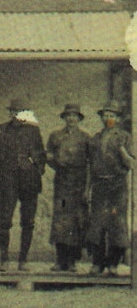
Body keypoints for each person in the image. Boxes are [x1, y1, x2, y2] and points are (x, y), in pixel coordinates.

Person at [0, 99, 46, 272]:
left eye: (20, 111)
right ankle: (4, 260)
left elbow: (41, 155)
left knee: (28, 222)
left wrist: (36, 168)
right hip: (8, 181)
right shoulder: (0, 131)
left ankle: (23, 260)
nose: (17, 115)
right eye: (14, 111)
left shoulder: (33, 131)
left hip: (29, 181)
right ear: (10, 113)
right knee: (4, 220)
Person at [86, 100, 134, 277]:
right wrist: (87, 189)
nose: (108, 119)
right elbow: (90, 166)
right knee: (98, 223)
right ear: (101, 118)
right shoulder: (95, 139)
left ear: (118, 118)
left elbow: (132, 163)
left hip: (117, 184)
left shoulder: (125, 137)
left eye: (112, 116)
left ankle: (113, 264)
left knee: (117, 223)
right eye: (105, 115)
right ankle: (97, 263)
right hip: (99, 185)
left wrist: (121, 148)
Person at [45, 103, 90, 273]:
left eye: (75, 116)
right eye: (68, 115)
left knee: (76, 221)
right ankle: (60, 260)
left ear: (79, 118)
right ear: (64, 117)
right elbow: (47, 155)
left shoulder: (85, 138)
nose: (71, 118)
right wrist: (57, 162)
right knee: (61, 220)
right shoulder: (55, 136)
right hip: (62, 184)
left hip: (78, 184)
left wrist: (86, 188)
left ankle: (72, 261)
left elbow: (89, 163)